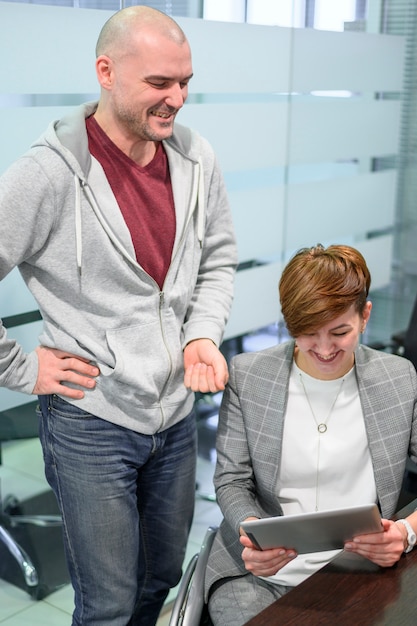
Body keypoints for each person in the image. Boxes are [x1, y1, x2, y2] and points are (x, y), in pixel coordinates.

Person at [0, 6, 236, 626]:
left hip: (176, 414)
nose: (177, 98)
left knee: (160, 575)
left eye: (185, 82)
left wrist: (202, 334)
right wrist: (20, 369)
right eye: (159, 83)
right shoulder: (46, 175)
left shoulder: (196, 158)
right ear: (106, 72)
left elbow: (219, 257)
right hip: (91, 422)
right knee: (106, 605)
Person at [205, 244, 417, 626]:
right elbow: (231, 480)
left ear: (365, 316)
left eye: (340, 332)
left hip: (363, 572)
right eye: (306, 333)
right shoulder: (250, 376)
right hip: (259, 578)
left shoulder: (399, 378)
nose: (323, 349)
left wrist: (406, 532)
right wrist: (251, 532)